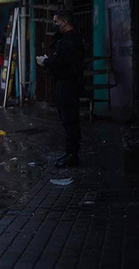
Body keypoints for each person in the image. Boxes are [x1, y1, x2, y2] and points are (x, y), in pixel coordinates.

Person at [37, 10, 84, 168]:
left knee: (70, 120)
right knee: (66, 120)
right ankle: (70, 152)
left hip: (68, 84)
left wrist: (46, 62)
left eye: (56, 22)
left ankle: (72, 155)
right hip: (65, 83)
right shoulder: (67, 39)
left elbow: (62, 62)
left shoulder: (70, 41)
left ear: (65, 22)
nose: (55, 25)